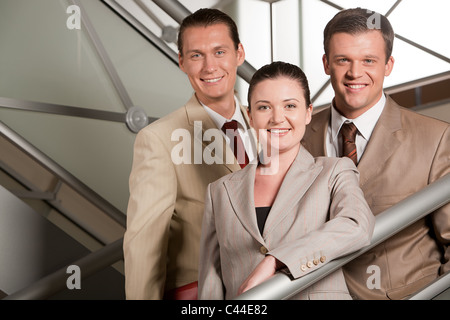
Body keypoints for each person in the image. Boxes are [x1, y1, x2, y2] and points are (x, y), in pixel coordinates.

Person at [302, 8, 450, 299]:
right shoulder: (297, 136)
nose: (355, 73)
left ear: (388, 64)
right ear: (326, 63)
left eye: (369, 60)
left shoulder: (436, 139)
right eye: (343, 60)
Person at [198, 61, 375, 300]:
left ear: (308, 113)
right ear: (249, 116)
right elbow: (211, 282)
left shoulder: (334, 171)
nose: (277, 118)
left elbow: (356, 225)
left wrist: (275, 261)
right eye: (264, 108)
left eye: (290, 105)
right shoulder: (219, 191)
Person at [123, 8, 257, 300]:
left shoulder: (271, 127)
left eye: (220, 52)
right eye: (196, 55)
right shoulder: (159, 140)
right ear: (181, 62)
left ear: (239, 53)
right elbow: (144, 245)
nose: (210, 67)